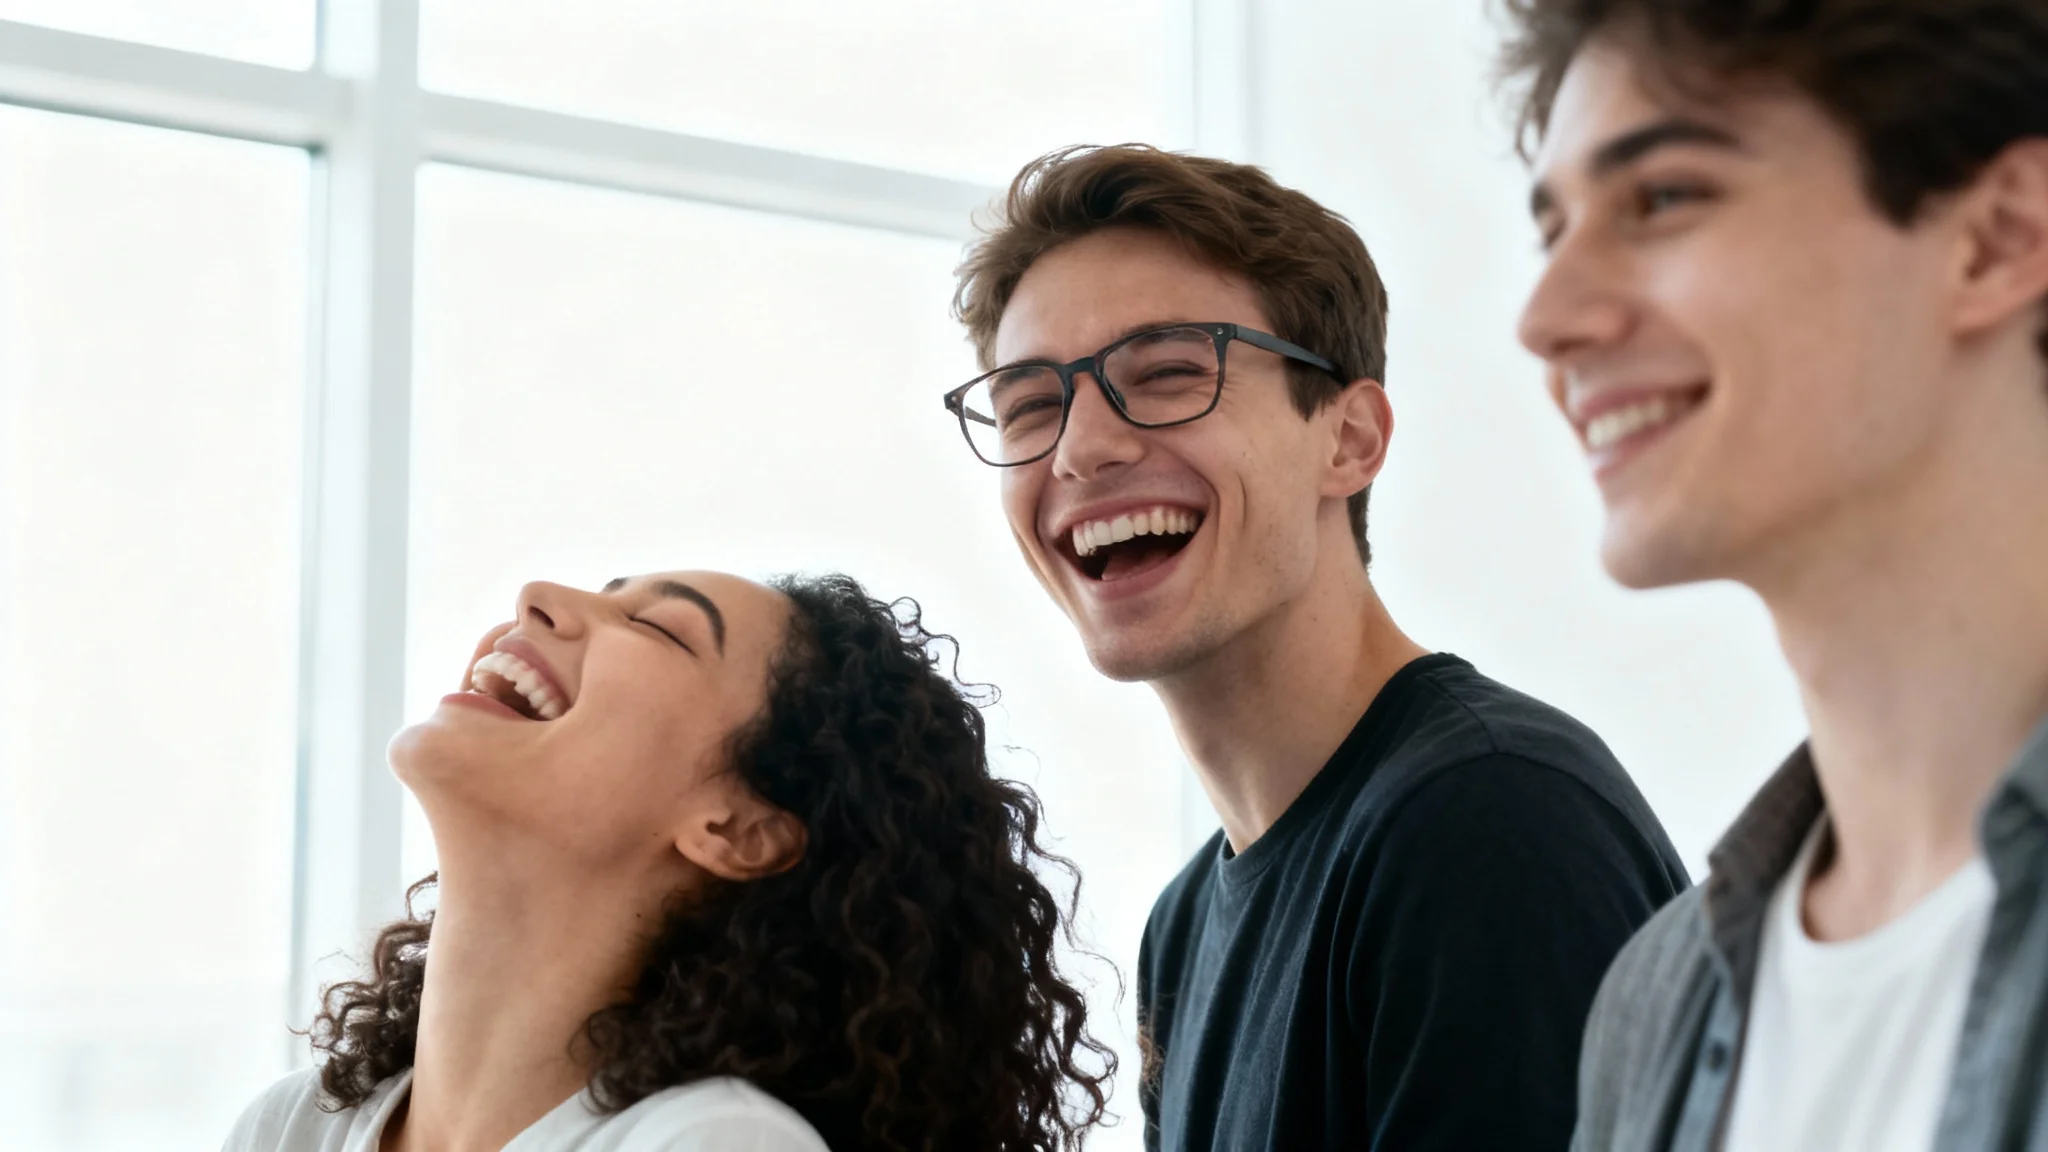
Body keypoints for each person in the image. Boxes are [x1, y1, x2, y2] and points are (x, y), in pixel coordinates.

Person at [944, 144, 1688, 1151]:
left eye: (1165, 375)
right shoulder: (1184, 924)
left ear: (1347, 441)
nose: (1080, 448)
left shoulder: (1485, 816)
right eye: (1030, 405)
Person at [1500, 2, 2048, 1147]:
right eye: (1552, 230)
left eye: (1661, 199)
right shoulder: (1649, 1006)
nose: (1542, 318)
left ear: (1997, 237)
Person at [224, 570, 1111, 1152]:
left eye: (657, 628)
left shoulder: (715, 1146)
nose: (537, 597)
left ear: (736, 829)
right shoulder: (292, 1127)